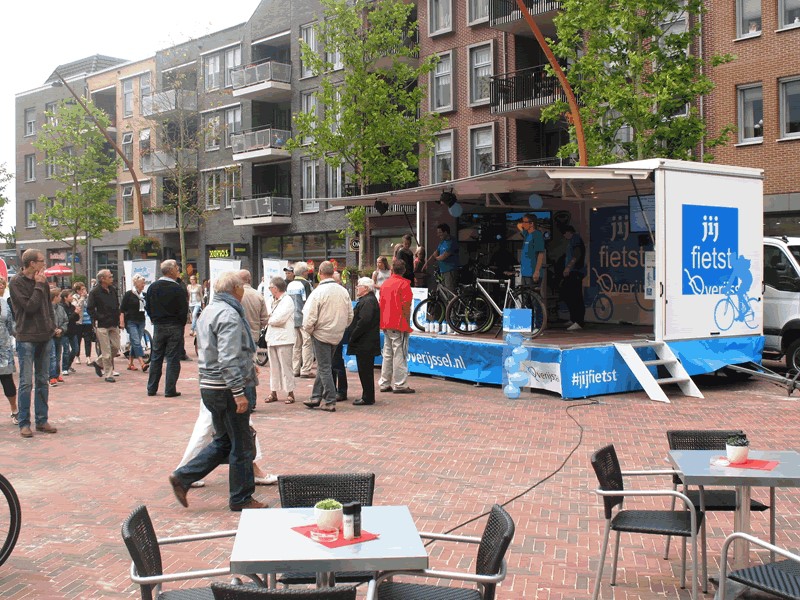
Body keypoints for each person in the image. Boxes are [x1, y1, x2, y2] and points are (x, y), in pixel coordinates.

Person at [168, 271, 267, 511]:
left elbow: (219, 351)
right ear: (236, 290)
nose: (244, 291)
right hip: (225, 387)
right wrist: (238, 391)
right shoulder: (229, 314)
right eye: (242, 287)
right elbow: (227, 356)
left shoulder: (209, 311)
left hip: (210, 385)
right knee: (241, 445)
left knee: (225, 440)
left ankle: (184, 476)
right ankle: (241, 497)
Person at [9, 248, 58, 437]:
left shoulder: (43, 282)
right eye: (41, 261)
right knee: (25, 382)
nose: (44, 264)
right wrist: (38, 285)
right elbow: (30, 307)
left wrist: (52, 326)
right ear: (31, 264)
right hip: (26, 337)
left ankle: (42, 420)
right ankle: (24, 423)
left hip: (45, 336)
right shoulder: (16, 282)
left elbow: (47, 306)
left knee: (42, 380)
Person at [302, 261, 353, 412]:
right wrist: (340, 327)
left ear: (320, 273)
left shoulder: (318, 292)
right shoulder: (343, 291)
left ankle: (330, 400)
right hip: (336, 333)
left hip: (321, 333)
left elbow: (309, 317)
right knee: (325, 365)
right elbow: (350, 315)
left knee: (324, 367)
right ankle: (315, 396)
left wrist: (309, 330)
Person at [146, 259, 189, 398]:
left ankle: (151, 388)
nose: (178, 270)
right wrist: (181, 323)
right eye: (177, 268)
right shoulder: (177, 288)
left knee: (156, 356)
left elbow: (148, 306)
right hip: (174, 325)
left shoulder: (153, 287)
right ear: (171, 271)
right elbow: (183, 309)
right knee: (172, 358)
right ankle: (169, 389)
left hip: (159, 325)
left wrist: (154, 318)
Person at [378, 259, 414, 394]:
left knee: (388, 353)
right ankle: (400, 383)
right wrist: (406, 322)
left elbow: (381, 302)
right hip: (398, 323)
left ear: (392, 269)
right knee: (400, 353)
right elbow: (406, 306)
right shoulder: (404, 284)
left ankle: (384, 382)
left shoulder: (385, 284)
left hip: (386, 322)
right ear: (404, 270)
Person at [238, 269, 269, 410]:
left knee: (240, 367)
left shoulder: (236, 295)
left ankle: (248, 400)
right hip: (254, 334)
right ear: (250, 279)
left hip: (238, 334)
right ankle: (251, 400)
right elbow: (265, 319)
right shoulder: (258, 295)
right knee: (249, 365)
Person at [346, 277, 381, 406]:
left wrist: (354, 334)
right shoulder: (368, 300)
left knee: (365, 370)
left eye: (359, 286)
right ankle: (367, 395)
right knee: (364, 370)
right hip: (366, 341)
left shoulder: (368, 301)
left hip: (365, 342)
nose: (357, 288)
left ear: (365, 288)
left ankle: (368, 396)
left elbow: (364, 321)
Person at [264, 276, 296, 404]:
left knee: (286, 366)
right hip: (271, 338)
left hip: (284, 338)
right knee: (274, 367)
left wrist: (268, 320)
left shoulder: (287, 300)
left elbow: (280, 318)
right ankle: (274, 391)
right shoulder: (270, 300)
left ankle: (290, 392)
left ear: (275, 288)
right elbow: (265, 313)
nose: (269, 289)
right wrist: (270, 318)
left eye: (270, 287)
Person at [87, 269, 122, 383]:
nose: (112, 278)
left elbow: (117, 305)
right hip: (102, 324)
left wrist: (119, 319)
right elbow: (90, 308)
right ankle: (108, 374)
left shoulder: (112, 290)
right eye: (110, 277)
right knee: (106, 351)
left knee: (116, 347)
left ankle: (98, 363)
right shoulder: (94, 292)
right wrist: (99, 317)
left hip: (113, 323)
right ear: (102, 279)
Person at [287, 261, 315, 378]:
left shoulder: (290, 284)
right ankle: (306, 369)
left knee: (296, 345)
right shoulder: (305, 284)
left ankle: (295, 369)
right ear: (304, 272)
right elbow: (310, 301)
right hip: (304, 317)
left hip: (293, 317)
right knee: (307, 343)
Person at [560, 225, 586, 331]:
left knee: (576, 297)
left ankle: (579, 321)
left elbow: (577, 255)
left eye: (565, 234)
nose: (564, 236)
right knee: (567, 295)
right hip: (572, 272)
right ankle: (573, 318)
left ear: (568, 232)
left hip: (575, 272)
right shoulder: (572, 241)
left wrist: (568, 267)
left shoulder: (575, 239)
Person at [0, 277, 18, 425]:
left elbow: (11, 325)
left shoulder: (4, 304)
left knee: (7, 380)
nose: (0, 286)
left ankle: (14, 410)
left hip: (3, 348)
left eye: (2, 284)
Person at [120, 274, 148, 371]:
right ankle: (142, 363)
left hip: (141, 320)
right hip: (131, 320)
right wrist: (122, 322)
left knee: (135, 342)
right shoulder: (129, 294)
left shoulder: (144, 295)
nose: (143, 285)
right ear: (136, 284)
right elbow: (122, 309)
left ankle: (130, 363)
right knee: (136, 341)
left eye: (144, 283)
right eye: (142, 283)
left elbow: (148, 307)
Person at [331, 270, 348, 402]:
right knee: (331, 363)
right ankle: (333, 389)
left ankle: (341, 391)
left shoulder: (342, 294)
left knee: (337, 362)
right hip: (332, 330)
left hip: (336, 331)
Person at [518, 214, 546, 289]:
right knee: (525, 298)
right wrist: (524, 223)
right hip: (525, 273)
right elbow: (519, 225)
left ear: (531, 223)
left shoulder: (537, 235)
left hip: (532, 273)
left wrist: (536, 271)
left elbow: (540, 254)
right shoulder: (526, 234)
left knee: (534, 298)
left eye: (525, 222)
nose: (523, 224)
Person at [49, 288, 68, 386]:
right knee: (52, 356)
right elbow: (46, 321)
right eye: (59, 296)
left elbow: (65, 320)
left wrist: (61, 329)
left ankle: (57, 374)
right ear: (55, 297)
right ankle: (51, 376)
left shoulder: (60, 308)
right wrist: (53, 330)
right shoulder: (47, 308)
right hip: (50, 336)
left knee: (58, 356)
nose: (60, 298)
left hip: (60, 335)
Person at [432, 223, 459, 290]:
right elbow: (436, 252)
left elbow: (443, 257)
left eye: (440, 232)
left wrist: (436, 257)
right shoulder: (442, 242)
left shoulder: (452, 242)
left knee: (450, 292)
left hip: (450, 271)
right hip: (442, 271)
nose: (438, 235)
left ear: (446, 232)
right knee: (443, 292)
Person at [72, 282, 93, 365]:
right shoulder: (75, 298)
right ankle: (77, 356)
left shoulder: (88, 297)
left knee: (88, 339)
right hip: (79, 322)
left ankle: (88, 357)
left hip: (88, 321)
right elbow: (76, 307)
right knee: (78, 339)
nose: (84, 291)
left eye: (85, 289)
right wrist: (81, 298)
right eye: (82, 289)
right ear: (77, 291)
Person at [62, 288, 80, 373]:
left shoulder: (72, 307)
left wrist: (77, 313)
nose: (72, 297)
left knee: (75, 349)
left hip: (73, 330)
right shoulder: (62, 307)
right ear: (65, 297)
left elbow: (76, 318)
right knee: (66, 350)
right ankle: (64, 368)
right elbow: (66, 319)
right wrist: (74, 313)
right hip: (65, 331)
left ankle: (68, 365)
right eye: (70, 296)